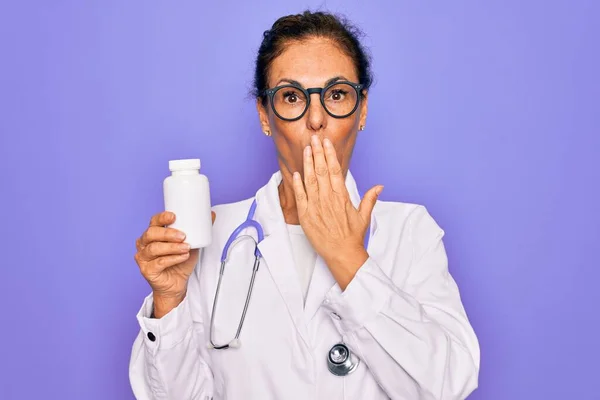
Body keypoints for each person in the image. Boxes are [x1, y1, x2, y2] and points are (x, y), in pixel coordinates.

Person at [129, 10, 480, 400]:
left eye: (336, 94)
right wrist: (169, 300)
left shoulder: (409, 231)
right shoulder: (210, 235)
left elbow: (448, 386)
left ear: (362, 109)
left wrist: (348, 258)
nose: (316, 119)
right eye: (292, 96)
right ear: (265, 115)